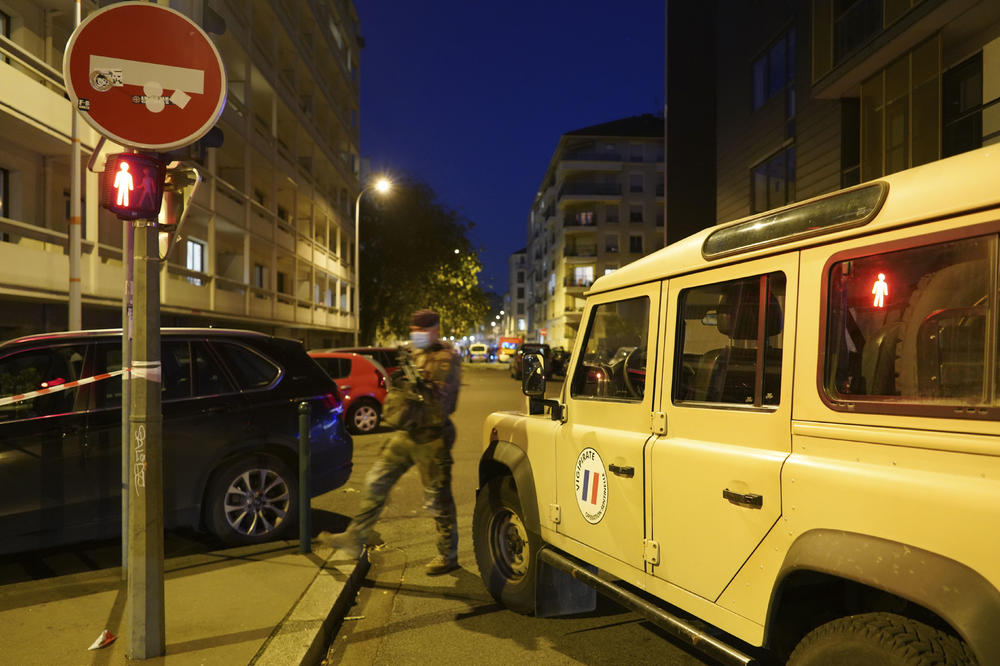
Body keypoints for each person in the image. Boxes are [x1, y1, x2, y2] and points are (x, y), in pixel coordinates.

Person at [318, 308, 462, 575]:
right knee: (377, 480)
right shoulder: (414, 353)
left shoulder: (446, 358)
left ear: (435, 330)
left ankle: (447, 554)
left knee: (437, 498)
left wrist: (419, 384)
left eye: (422, 331)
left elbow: (443, 402)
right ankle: (355, 536)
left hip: (432, 438)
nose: (416, 335)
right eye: (414, 330)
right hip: (406, 432)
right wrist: (401, 380)